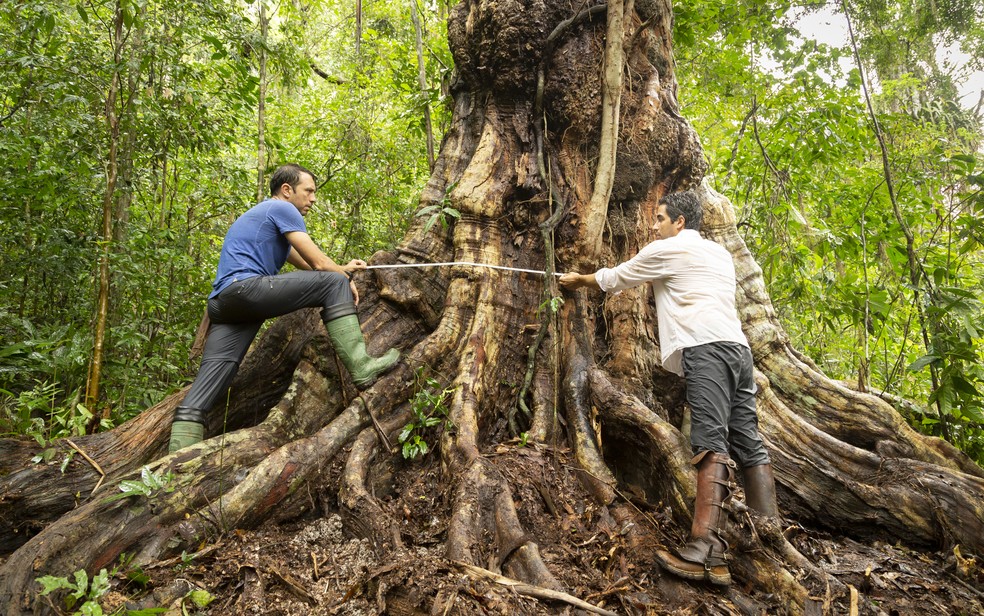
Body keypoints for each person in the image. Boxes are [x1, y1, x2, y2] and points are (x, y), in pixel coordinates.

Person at [559, 190, 778, 586]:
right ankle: (769, 537)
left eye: (659, 218)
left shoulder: (669, 249)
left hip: (706, 349)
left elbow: (617, 277)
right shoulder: (719, 254)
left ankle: (705, 549)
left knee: (710, 442)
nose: (653, 225)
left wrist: (579, 280)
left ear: (679, 222)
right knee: (748, 440)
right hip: (738, 351)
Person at [168, 163, 400, 453]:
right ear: (287, 190)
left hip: (224, 305)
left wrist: (343, 271)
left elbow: (307, 264)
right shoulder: (281, 208)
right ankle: (362, 366)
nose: (313, 199)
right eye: (309, 191)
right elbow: (319, 266)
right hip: (244, 289)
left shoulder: (267, 221)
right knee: (332, 283)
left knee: (205, 390)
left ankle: (173, 467)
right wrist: (340, 279)